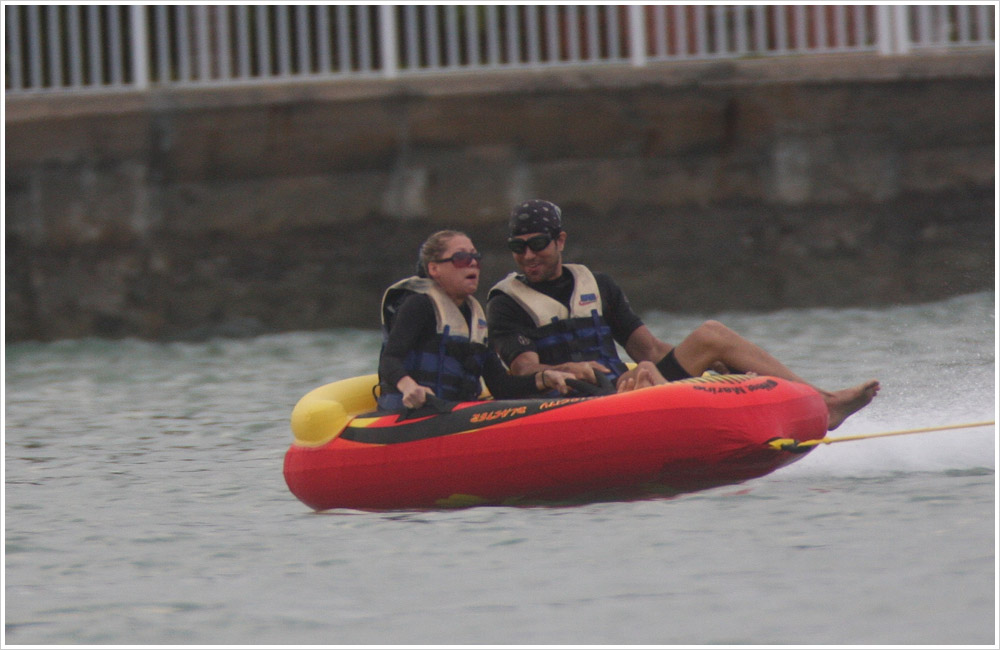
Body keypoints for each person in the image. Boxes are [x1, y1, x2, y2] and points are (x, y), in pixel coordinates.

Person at [486, 199, 880, 430]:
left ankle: (823, 402)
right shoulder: (507, 302)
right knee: (645, 374)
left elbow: (650, 349)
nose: (528, 255)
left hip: (623, 385)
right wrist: (569, 368)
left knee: (711, 335)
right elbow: (523, 370)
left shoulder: (598, 285)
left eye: (538, 244)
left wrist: (710, 365)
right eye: (517, 248)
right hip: (575, 403)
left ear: (560, 240)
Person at [377, 229, 575, 411]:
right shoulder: (418, 305)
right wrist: (409, 386)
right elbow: (390, 359)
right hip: (410, 416)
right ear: (434, 269)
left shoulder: (475, 319)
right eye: (461, 258)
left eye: (475, 257)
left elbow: (501, 386)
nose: (472, 263)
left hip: (453, 415)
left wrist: (545, 379)